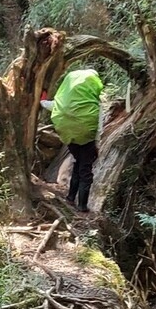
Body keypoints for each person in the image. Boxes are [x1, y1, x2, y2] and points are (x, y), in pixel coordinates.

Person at [42, 68, 103, 212]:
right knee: (85, 170)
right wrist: (98, 143)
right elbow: (99, 127)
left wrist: (43, 98)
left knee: (77, 164)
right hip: (88, 140)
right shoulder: (93, 105)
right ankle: (82, 205)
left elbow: (49, 105)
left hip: (71, 139)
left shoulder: (64, 103)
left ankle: (70, 197)